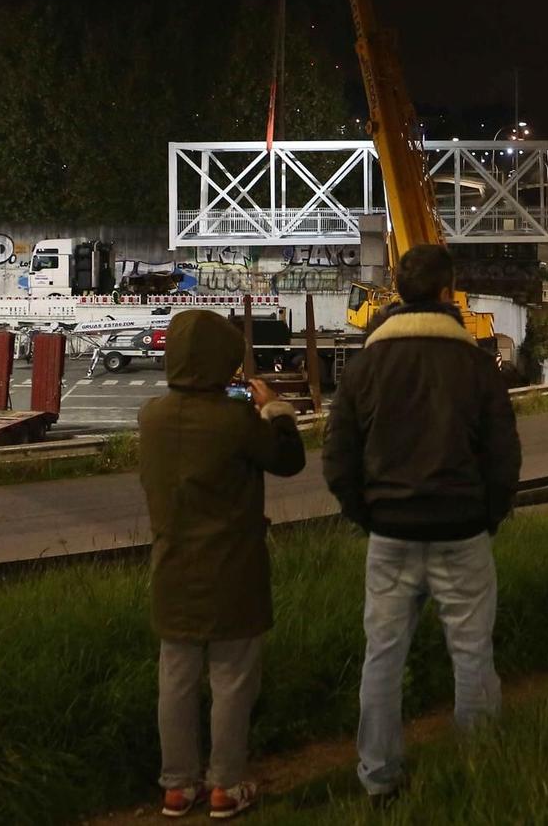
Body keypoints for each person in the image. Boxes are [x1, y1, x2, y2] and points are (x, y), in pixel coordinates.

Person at [323, 246, 523, 810]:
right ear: (446, 292)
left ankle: (379, 780)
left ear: (399, 291)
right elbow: (504, 456)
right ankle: (477, 769)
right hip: (463, 532)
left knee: (383, 658)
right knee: (473, 654)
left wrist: (368, 515)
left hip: (390, 534)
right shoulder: (476, 366)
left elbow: (338, 458)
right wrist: (487, 515)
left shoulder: (365, 365)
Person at [138, 309, 307, 820]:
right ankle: (226, 786)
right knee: (232, 680)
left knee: (176, 681)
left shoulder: (151, 418)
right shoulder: (236, 421)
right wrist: (274, 408)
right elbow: (288, 460)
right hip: (233, 569)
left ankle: (177, 787)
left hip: (172, 568)